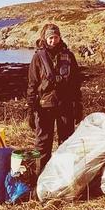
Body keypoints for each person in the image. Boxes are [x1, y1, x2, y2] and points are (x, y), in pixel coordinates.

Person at [27, 23, 83, 170]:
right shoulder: (38, 58)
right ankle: (40, 178)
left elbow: (76, 82)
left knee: (66, 142)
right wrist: (31, 108)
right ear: (45, 38)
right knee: (42, 144)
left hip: (65, 104)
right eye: (50, 38)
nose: (53, 41)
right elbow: (32, 84)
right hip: (44, 107)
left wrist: (78, 104)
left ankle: (63, 176)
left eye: (56, 37)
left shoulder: (69, 56)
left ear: (60, 37)